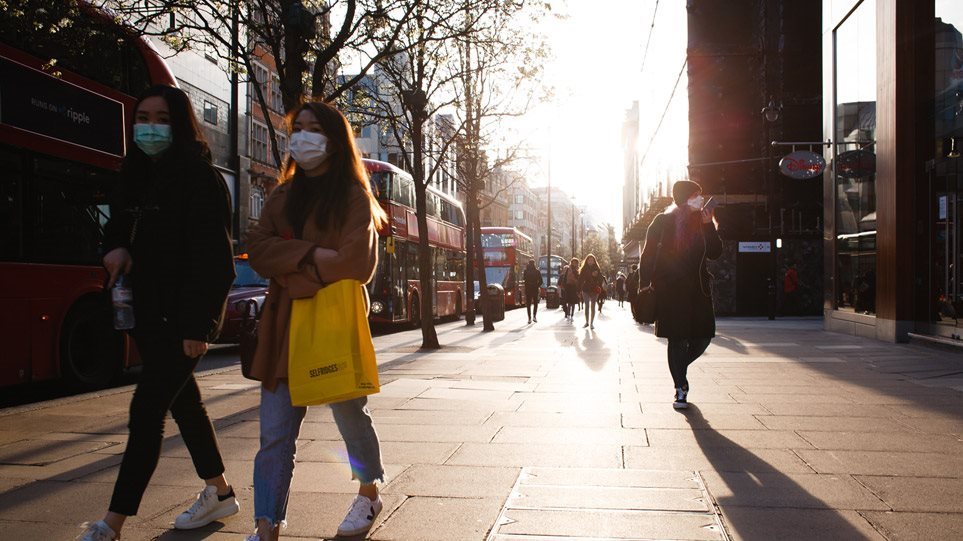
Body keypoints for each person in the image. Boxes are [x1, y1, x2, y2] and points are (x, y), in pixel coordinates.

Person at [80, 85, 238, 541]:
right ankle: (220, 491)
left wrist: (198, 326)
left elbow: (214, 261)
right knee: (185, 403)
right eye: (143, 118)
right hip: (146, 315)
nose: (150, 127)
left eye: (162, 119)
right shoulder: (132, 175)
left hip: (181, 320)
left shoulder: (200, 179)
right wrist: (114, 248)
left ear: (181, 125)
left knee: (146, 411)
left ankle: (112, 524)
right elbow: (115, 229)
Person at [244, 101, 389, 541]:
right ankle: (266, 525)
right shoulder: (281, 196)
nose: (302, 137)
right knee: (275, 435)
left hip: (331, 324)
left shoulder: (353, 197)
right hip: (283, 331)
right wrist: (312, 254)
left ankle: (369, 492)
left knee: (350, 417)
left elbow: (356, 263)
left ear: (334, 140)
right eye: (298, 128)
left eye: (313, 129)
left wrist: (291, 269)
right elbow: (258, 250)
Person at [639, 180, 722, 410]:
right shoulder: (662, 221)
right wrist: (644, 285)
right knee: (676, 340)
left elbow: (715, 253)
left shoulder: (702, 221)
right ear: (685, 198)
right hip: (670, 292)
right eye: (696, 195)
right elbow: (647, 255)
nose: (701, 199)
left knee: (703, 338)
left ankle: (678, 368)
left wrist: (708, 225)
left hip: (698, 292)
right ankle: (680, 388)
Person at [578, 254, 604, 329]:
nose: (590, 261)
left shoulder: (597, 268)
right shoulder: (584, 269)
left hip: (594, 289)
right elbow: (580, 280)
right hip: (585, 289)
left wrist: (596, 275)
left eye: (592, 260)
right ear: (586, 261)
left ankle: (591, 323)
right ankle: (586, 322)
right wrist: (578, 290)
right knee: (587, 306)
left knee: (593, 306)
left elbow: (601, 279)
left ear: (594, 261)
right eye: (589, 260)